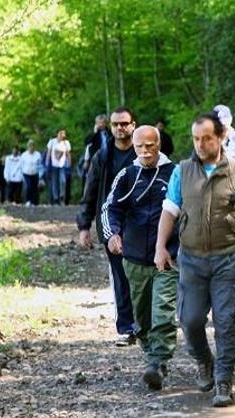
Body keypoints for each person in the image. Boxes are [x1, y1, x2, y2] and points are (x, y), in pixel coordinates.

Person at [154, 112, 235, 407]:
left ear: (220, 138)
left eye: (207, 138)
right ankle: (205, 361)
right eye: (196, 138)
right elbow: (169, 209)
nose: (201, 144)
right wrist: (160, 246)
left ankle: (223, 382)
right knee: (190, 321)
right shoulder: (182, 171)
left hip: (228, 258)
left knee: (225, 322)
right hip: (191, 260)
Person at [101, 125, 178, 391]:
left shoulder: (174, 173)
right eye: (140, 146)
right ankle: (151, 355)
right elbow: (111, 207)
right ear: (133, 147)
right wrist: (113, 235)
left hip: (168, 258)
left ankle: (158, 362)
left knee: (164, 312)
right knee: (141, 317)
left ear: (159, 145)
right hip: (134, 258)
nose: (146, 151)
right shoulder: (127, 174)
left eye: (151, 145)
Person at [77, 106, 139, 346]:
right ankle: (126, 327)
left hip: (141, 223)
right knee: (121, 276)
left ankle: (146, 323)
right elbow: (90, 191)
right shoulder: (102, 156)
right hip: (110, 222)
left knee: (144, 274)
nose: (120, 128)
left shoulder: (143, 152)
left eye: (124, 123)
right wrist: (84, 226)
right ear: (110, 127)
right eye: (115, 124)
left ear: (133, 125)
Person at [82, 114, 111, 192]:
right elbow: (87, 143)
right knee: (93, 180)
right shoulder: (94, 134)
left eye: (102, 123)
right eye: (98, 123)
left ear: (106, 123)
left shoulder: (109, 133)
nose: (101, 125)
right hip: (95, 159)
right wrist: (86, 160)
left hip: (108, 159)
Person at [48, 129, 71, 205]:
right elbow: (49, 153)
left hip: (62, 166)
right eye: (61, 133)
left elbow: (68, 154)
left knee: (63, 181)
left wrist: (69, 164)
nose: (62, 135)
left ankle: (62, 197)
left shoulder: (66, 143)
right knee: (54, 182)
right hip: (53, 165)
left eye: (64, 133)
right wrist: (47, 164)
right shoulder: (52, 142)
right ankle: (55, 199)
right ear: (57, 134)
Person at [21, 140, 42, 206]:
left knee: (34, 188)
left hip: (35, 173)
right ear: (28, 147)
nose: (31, 147)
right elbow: (21, 165)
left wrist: (40, 175)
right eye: (30, 146)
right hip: (26, 173)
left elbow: (40, 165)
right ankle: (28, 200)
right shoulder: (24, 155)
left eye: (32, 145)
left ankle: (34, 202)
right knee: (28, 187)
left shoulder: (38, 154)